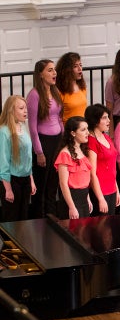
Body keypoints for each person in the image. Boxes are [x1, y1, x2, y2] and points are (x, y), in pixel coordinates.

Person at [27, 59, 63, 217]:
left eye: (54, 69)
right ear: (40, 74)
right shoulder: (34, 95)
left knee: (53, 184)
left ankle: (52, 217)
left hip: (57, 141)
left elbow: (59, 117)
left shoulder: (55, 91)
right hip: (43, 141)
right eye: (49, 70)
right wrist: (39, 151)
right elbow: (32, 127)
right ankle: (39, 219)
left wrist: (62, 139)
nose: (54, 73)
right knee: (42, 184)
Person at [0, 96, 36, 222]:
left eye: (26, 108)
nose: (25, 111)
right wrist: (8, 189)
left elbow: (28, 157)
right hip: (12, 180)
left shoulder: (22, 127)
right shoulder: (4, 132)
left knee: (24, 216)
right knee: (12, 217)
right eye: (21, 108)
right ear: (11, 111)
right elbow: (3, 162)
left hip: (25, 179)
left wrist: (31, 179)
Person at [54, 116, 93, 219]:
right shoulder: (64, 154)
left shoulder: (82, 150)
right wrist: (71, 207)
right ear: (73, 133)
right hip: (72, 200)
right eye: (83, 130)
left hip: (83, 198)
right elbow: (63, 184)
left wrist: (87, 198)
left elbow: (84, 179)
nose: (87, 133)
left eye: (87, 129)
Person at [85, 104, 120, 215]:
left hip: (112, 189)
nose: (109, 120)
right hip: (100, 192)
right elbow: (92, 174)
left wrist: (117, 190)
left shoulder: (106, 137)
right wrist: (100, 198)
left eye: (108, 117)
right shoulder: (91, 141)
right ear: (95, 121)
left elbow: (112, 167)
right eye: (104, 118)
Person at [56, 52, 88, 124]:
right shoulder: (60, 91)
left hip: (82, 130)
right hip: (68, 130)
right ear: (67, 70)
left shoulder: (82, 87)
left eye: (80, 65)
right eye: (75, 66)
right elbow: (58, 117)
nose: (80, 69)